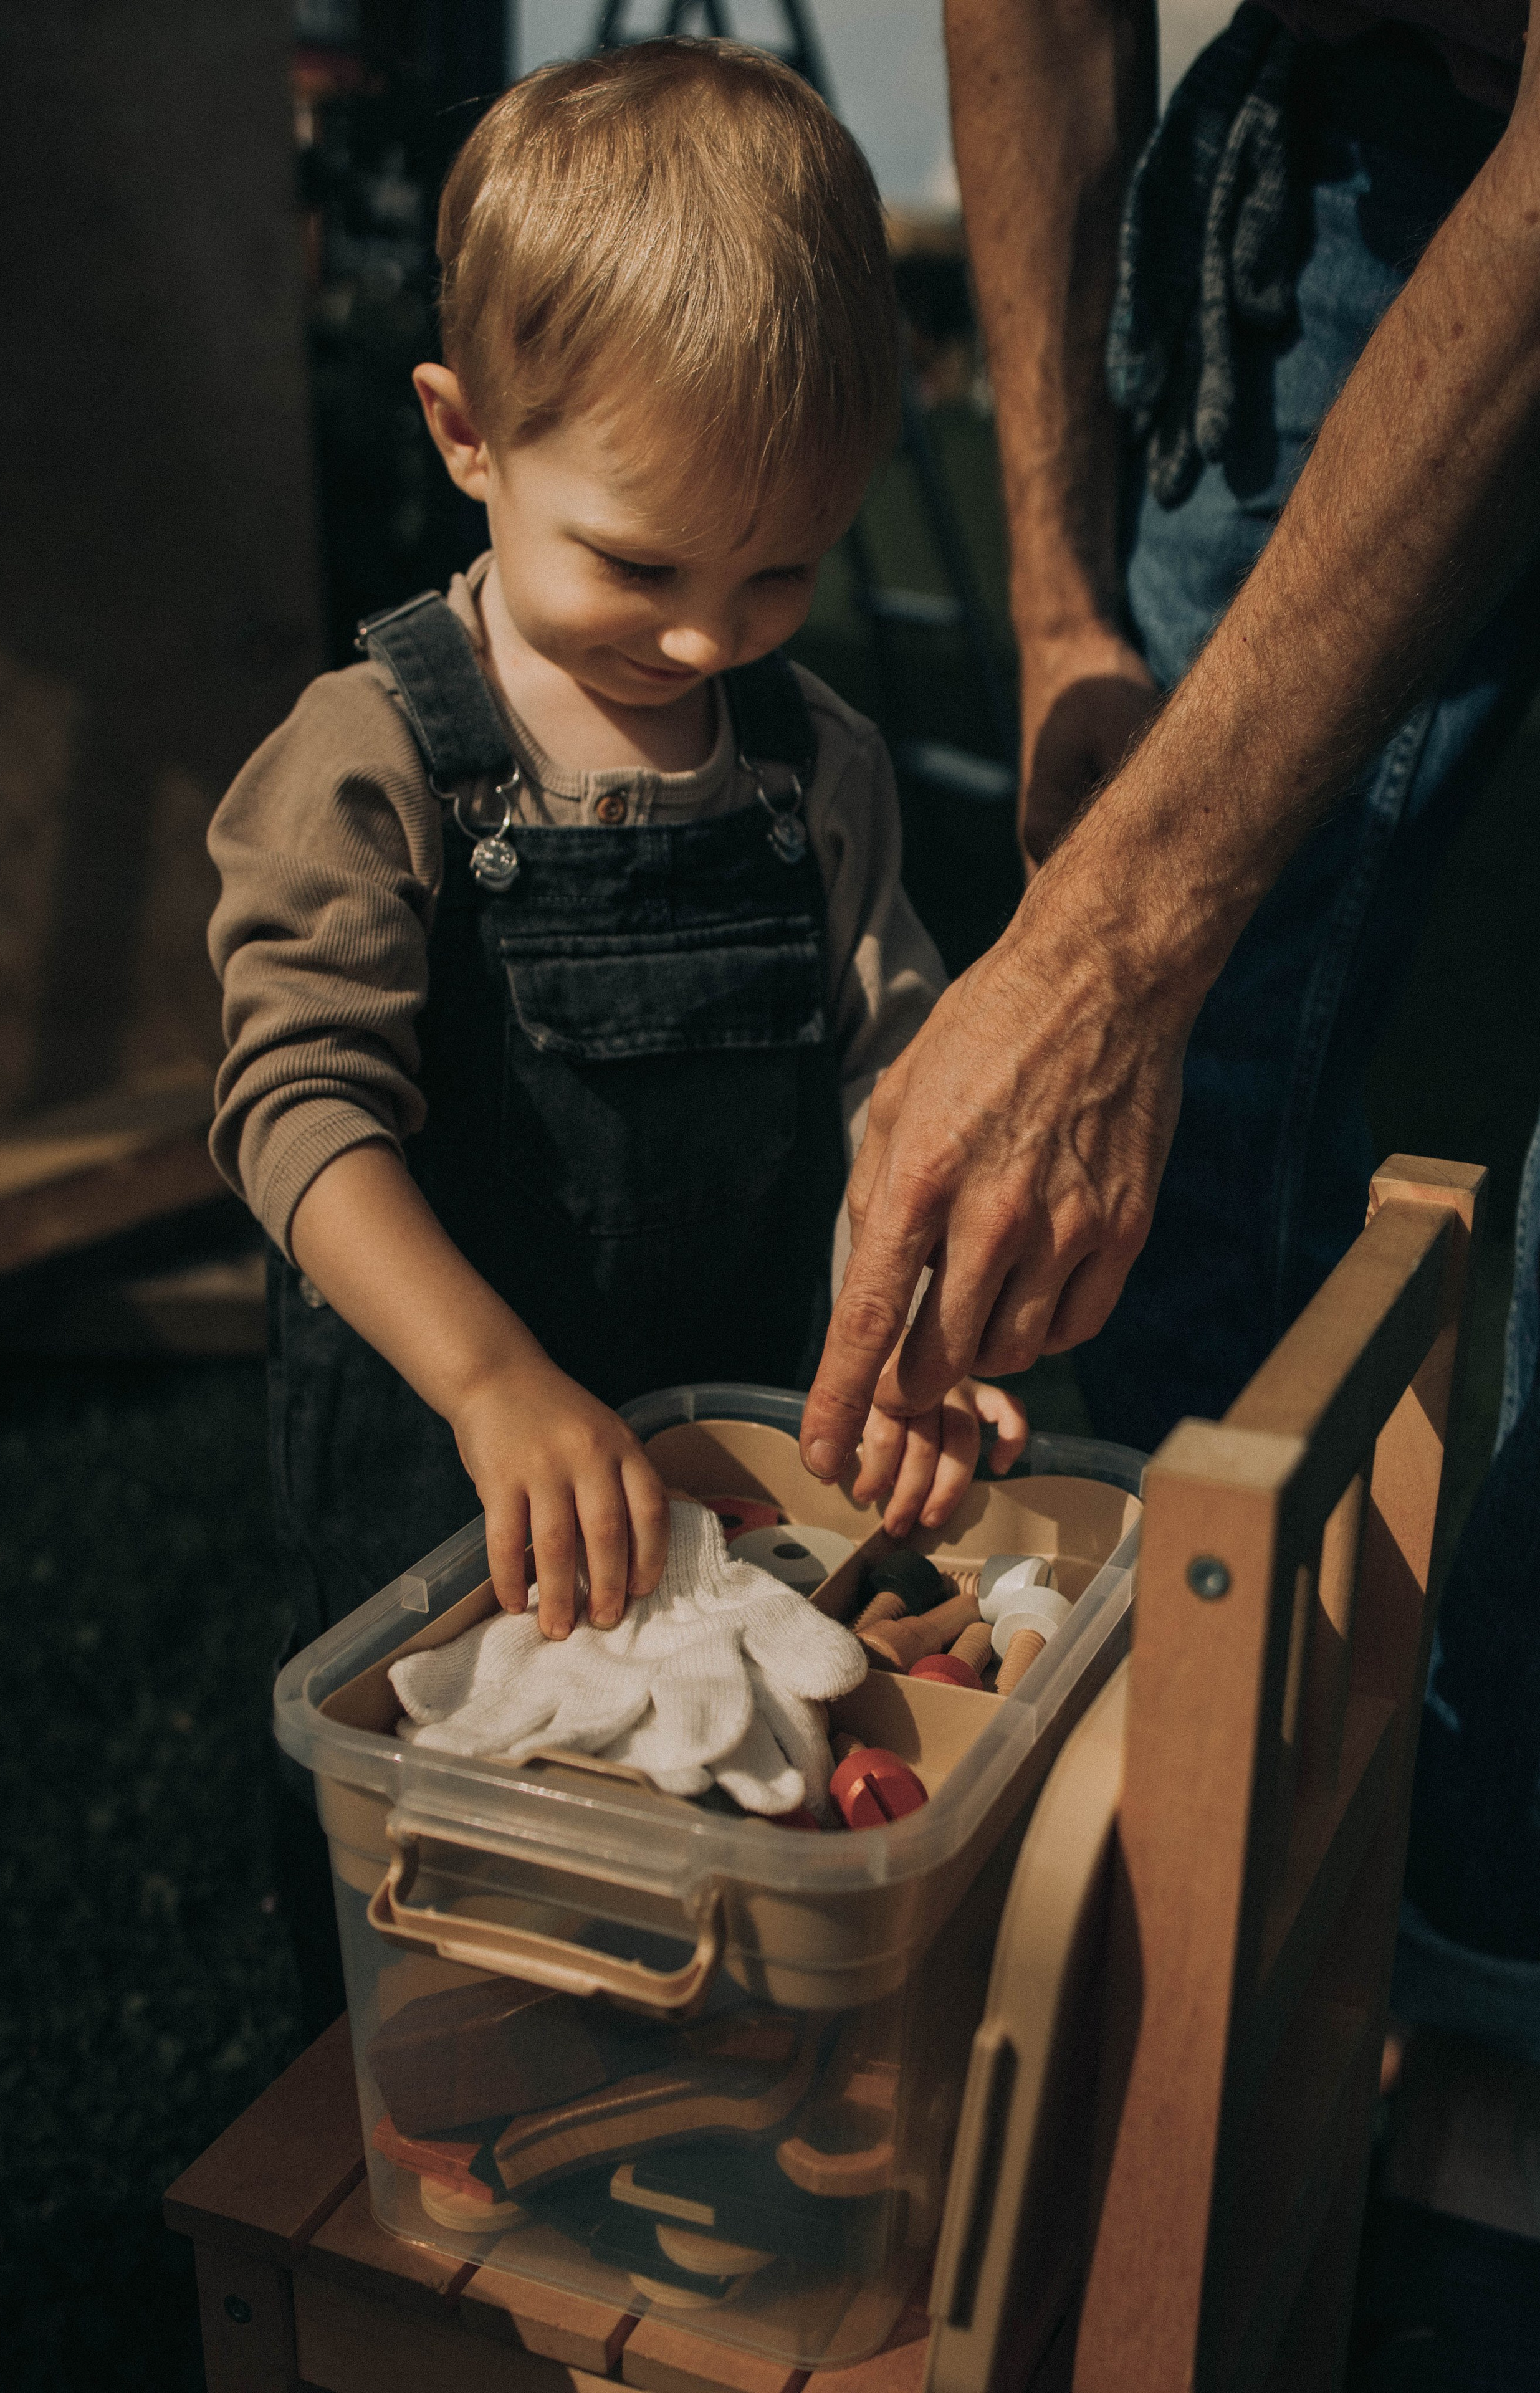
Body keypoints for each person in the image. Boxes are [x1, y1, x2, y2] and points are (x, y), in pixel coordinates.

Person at [800, 4, 1540, 2025]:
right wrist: (1058, 613)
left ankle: (1486, 2004)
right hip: (1362, 147)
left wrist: (1120, 945)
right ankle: (1101, 1916)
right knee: (1176, 1133)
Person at [207, 37, 1024, 1673]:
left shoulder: (815, 767)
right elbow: (296, 1107)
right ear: (468, 436)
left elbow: (895, 1078)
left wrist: (917, 1311)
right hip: (443, 1482)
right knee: (446, 1874)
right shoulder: (374, 764)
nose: (710, 635)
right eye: (640, 562)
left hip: (734, 1475)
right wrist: (492, 1379)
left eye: (781, 573)